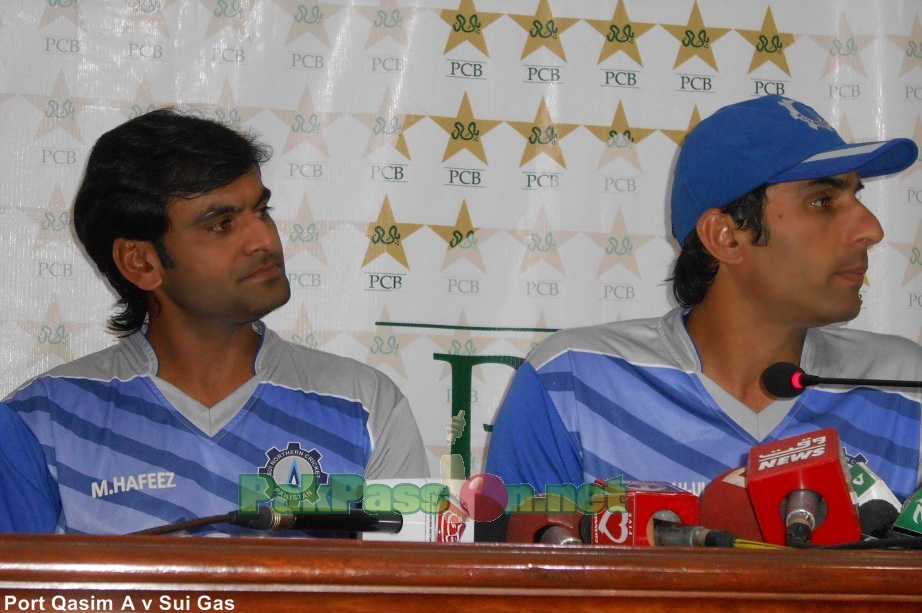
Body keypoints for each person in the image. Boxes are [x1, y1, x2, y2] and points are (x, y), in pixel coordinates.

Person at [2, 108, 427, 534]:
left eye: (261, 211)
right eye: (222, 224)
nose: (263, 239)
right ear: (141, 261)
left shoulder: (365, 406)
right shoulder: (41, 424)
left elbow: (410, 592)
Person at [486, 95, 922, 502]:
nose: (871, 229)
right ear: (725, 236)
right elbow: (522, 575)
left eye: (855, 197)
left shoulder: (906, 386)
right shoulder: (573, 382)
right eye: (823, 201)